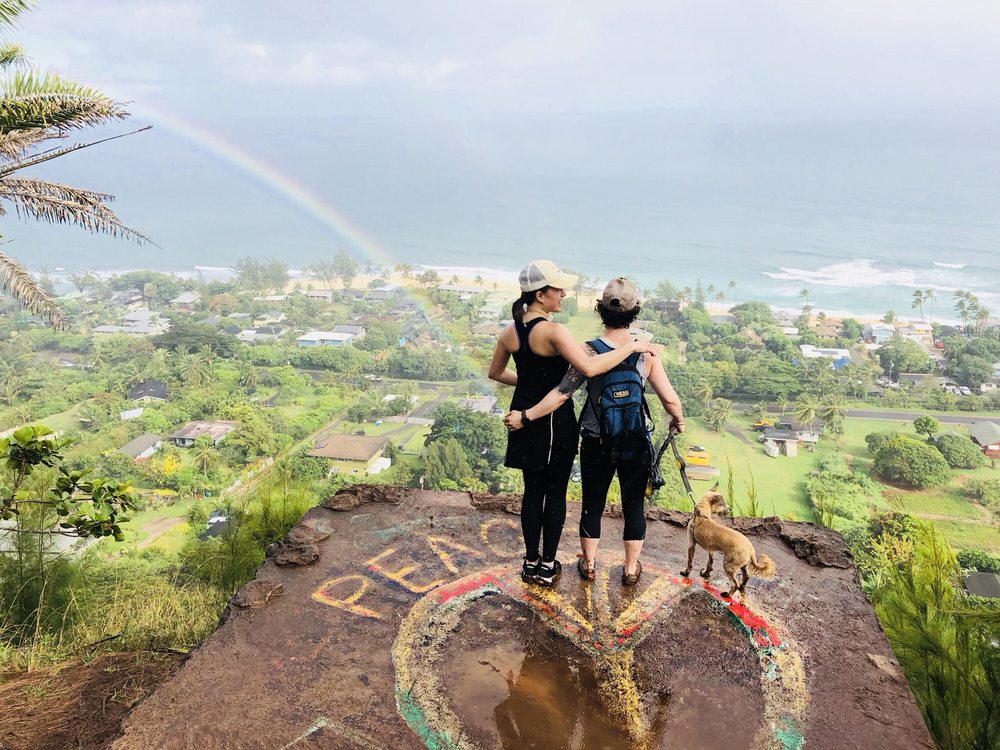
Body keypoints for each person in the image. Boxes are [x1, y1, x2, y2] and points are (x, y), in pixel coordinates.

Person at [504, 278, 684, 586]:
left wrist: (527, 415)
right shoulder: (645, 352)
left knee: (592, 504)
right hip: (635, 440)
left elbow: (561, 393)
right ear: (634, 313)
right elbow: (669, 398)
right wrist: (678, 420)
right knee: (634, 506)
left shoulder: (587, 351)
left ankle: (589, 564)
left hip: (595, 439)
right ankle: (630, 569)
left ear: (601, 311)